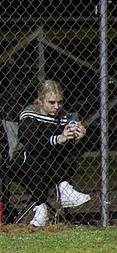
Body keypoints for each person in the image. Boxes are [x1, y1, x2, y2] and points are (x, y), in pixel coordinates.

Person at [17, 80, 91, 227]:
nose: (57, 107)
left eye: (59, 102)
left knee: (48, 153)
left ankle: (41, 209)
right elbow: (30, 142)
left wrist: (79, 139)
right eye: (51, 102)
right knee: (38, 152)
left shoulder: (65, 118)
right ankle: (64, 188)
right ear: (40, 101)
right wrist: (58, 138)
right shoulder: (30, 114)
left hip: (54, 164)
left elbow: (73, 152)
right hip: (24, 163)